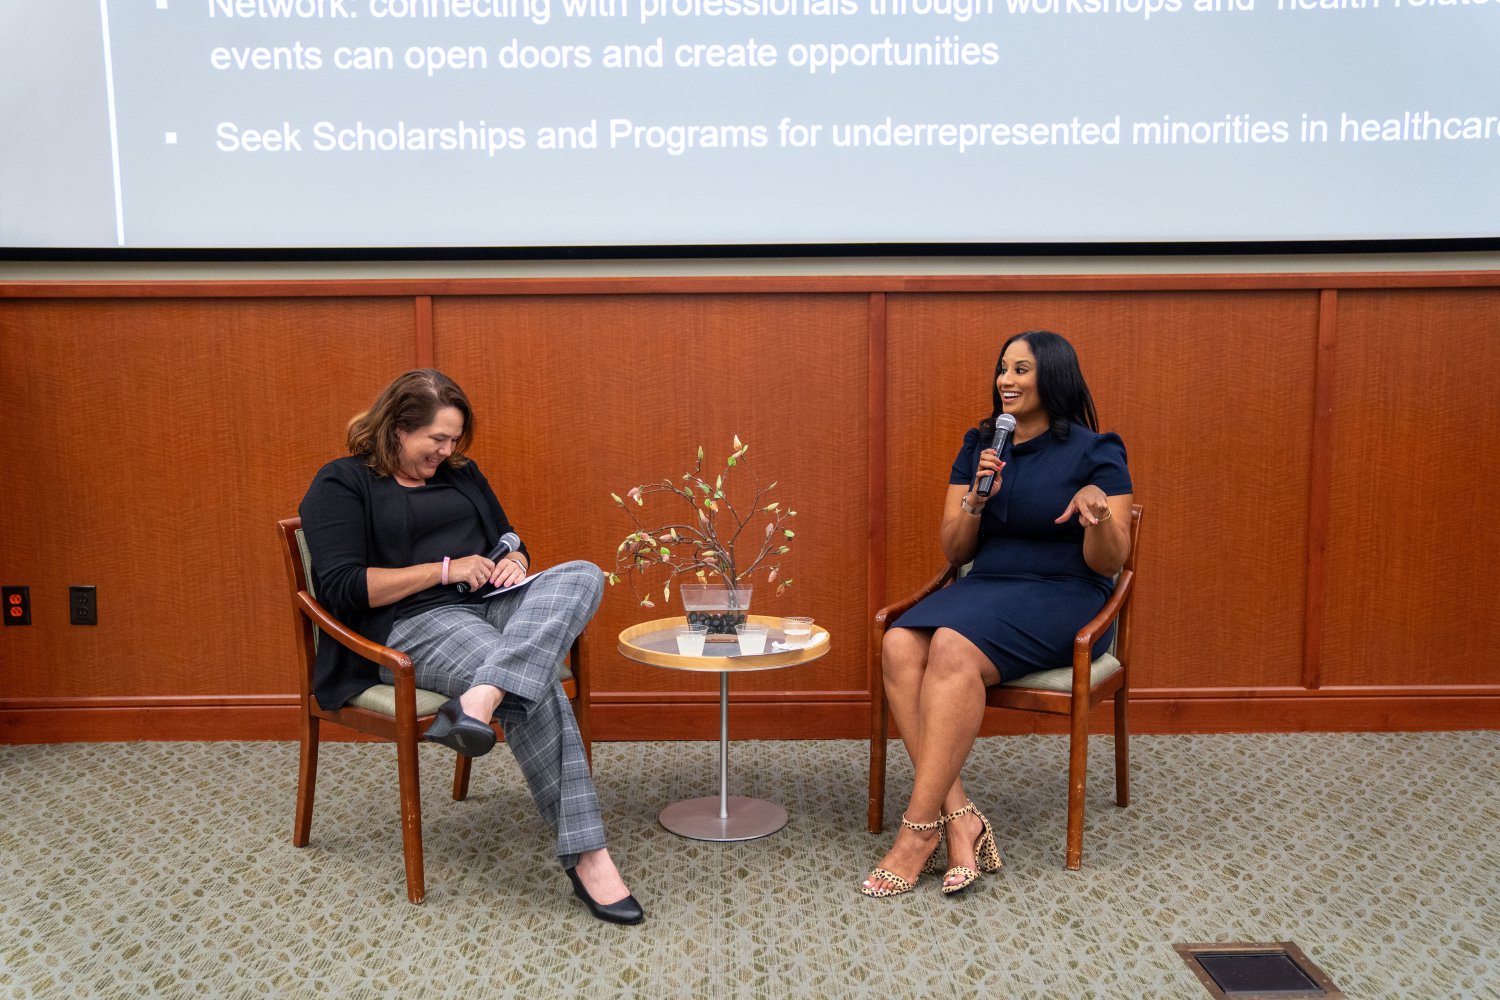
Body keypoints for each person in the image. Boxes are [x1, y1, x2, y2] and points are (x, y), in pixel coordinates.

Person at [299, 369, 643, 925]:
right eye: (437, 439)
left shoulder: (461, 473)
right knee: (536, 685)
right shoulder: (341, 483)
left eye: (454, 439)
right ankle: (589, 857)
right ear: (396, 429)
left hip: (492, 602)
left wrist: (514, 561)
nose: (447, 450)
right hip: (414, 623)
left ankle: (481, 698)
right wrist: (444, 570)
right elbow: (341, 587)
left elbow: (507, 535)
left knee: (582, 574)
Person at [861, 330, 1133, 898]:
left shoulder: (1097, 450)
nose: (1005, 380)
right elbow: (957, 553)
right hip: (988, 585)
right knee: (898, 643)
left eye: (1021, 370)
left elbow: (1112, 561)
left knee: (953, 648)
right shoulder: (983, 442)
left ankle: (916, 835)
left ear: (1052, 376)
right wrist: (976, 501)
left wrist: (1099, 513)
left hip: (1064, 594)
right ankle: (960, 818)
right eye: (1002, 369)